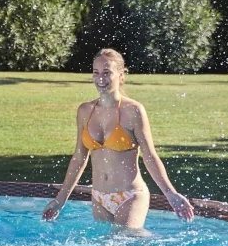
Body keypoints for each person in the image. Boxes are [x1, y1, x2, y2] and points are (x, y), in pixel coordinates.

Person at [41, 48, 194, 230]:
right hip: (99, 197)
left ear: (121, 76)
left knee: (125, 240)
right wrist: (60, 200)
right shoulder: (85, 111)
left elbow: (150, 156)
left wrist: (171, 194)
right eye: (96, 72)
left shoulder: (133, 110)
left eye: (107, 72)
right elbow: (79, 158)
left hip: (130, 195)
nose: (100, 78)